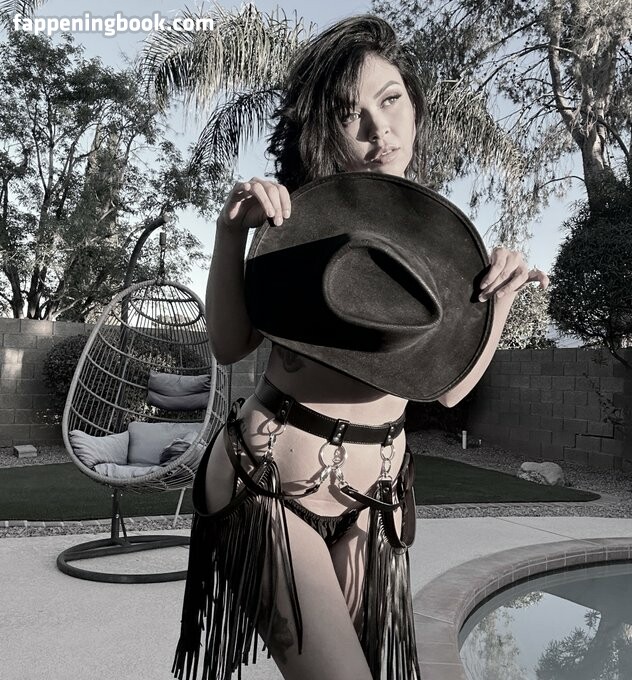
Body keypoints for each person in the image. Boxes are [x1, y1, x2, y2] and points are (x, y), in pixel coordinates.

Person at [172, 14, 549, 680]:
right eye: (352, 115)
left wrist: (502, 300)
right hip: (268, 483)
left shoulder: (438, 245)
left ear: (414, 104)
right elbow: (229, 345)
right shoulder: (295, 218)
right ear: (325, 128)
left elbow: (447, 389)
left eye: (391, 100)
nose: (381, 130)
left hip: (377, 499)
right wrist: (233, 234)